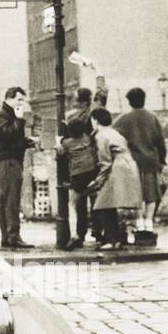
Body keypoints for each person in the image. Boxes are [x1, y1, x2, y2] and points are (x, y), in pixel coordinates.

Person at [0, 86, 40, 250]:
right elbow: (6, 134)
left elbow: (12, 139)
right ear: (9, 98)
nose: (22, 103)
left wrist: (28, 142)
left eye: (22, 100)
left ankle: (8, 237)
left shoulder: (6, 114)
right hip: (9, 162)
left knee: (7, 200)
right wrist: (19, 119)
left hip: (10, 160)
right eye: (19, 99)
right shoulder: (1, 115)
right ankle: (13, 236)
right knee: (11, 200)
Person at [115, 87, 167, 236]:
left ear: (129, 101)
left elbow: (113, 135)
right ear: (144, 99)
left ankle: (139, 223)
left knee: (136, 193)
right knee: (151, 194)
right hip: (151, 161)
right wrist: (162, 159)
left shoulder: (123, 118)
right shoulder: (152, 117)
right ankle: (149, 224)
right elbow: (160, 142)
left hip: (133, 161)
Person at [90, 107, 143, 248]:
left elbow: (105, 162)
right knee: (109, 203)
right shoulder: (114, 133)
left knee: (101, 204)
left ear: (95, 121)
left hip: (118, 167)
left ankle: (111, 240)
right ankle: (116, 239)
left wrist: (97, 181)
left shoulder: (101, 136)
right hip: (127, 165)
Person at [58, 87, 100, 250]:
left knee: (77, 203)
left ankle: (78, 234)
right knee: (96, 202)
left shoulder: (71, 117)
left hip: (76, 173)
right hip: (93, 167)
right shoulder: (92, 117)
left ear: (80, 101)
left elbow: (61, 148)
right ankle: (98, 232)